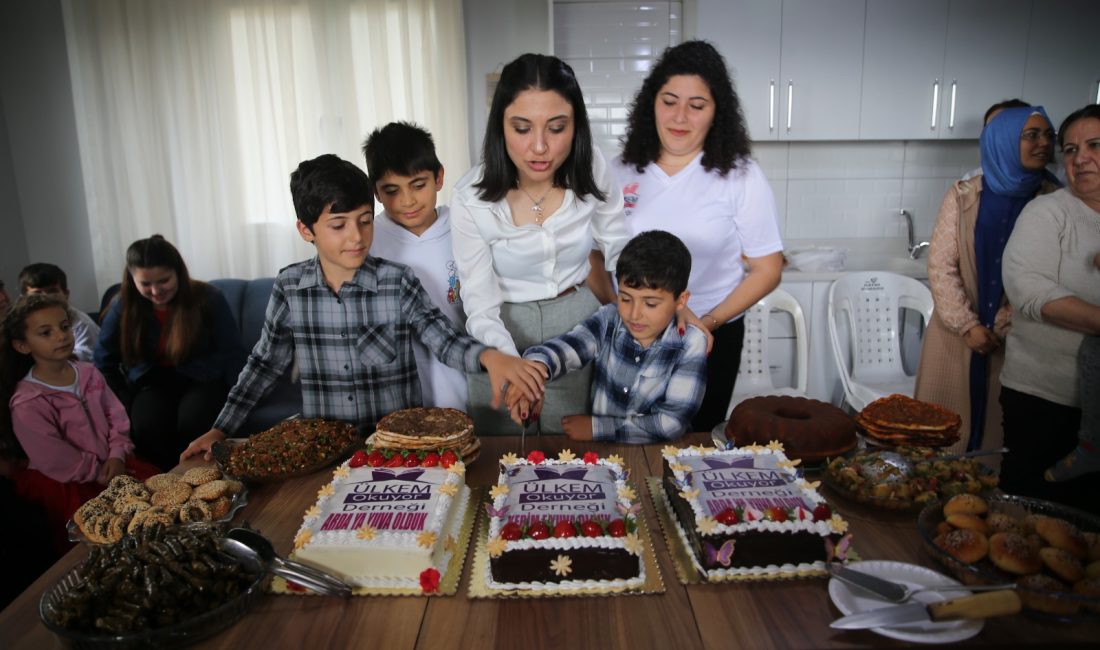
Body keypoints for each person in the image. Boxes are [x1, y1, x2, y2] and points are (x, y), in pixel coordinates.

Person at [182, 154, 545, 461]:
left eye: (365, 221)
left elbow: (444, 340)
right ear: (306, 231)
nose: (356, 237)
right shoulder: (291, 288)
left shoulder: (397, 280)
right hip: (324, 455)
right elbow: (265, 364)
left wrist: (491, 358)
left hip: (398, 449)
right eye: (338, 225)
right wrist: (222, 428)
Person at [451, 53, 630, 435]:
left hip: (578, 327)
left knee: (573, 458)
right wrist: (513, 368)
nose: (539, 147)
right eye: (521, 128)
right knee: (500, 461)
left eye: (556, 127)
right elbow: (480, 304)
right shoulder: (470, 198)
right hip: (501, 331)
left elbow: (618, 245)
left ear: (576, 126)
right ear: (500, 126)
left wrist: (658, 298)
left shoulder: (593, 167)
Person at [609, 40, 783, 432]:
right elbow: (593, 258)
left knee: (695, 445)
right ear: (651, 102)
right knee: (625, 438)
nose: (680, 117)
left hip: (709, 339)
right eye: (669, 101)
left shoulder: (740, 175)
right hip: (632, 332)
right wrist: (619, 312)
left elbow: (767, 268)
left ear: (716, 112)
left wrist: (708, 321)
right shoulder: (620, 172)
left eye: (697, 105)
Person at [915, 106, 1060, 458]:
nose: (1043, 144)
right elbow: (941, 264)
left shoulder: (1055, 200)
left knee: (1002, 439)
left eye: (1048, 135)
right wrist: (968, 325)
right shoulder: (965, 194)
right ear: (1004, 141)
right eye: (1032, 135)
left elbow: (1050, 272)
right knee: (941, 436)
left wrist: (1004, 322)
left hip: (1016, 338)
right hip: (955, 334)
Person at [506, 230, 707, 443]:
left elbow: (672, 423)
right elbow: (569, 348)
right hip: (604, 455)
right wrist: (536, 369)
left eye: (650, 304)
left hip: (658, 455)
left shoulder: (691, 342)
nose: (634, 313)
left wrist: (597, 429)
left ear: (681, 300)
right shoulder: (610, 318)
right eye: (626, 298)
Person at [1000, 104, 1100, 514]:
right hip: (1044, 397)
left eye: (1095, 145)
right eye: (1071, 149)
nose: (1080, 158)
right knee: (1033, 512)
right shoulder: (1048, 212)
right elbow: (1028, 288)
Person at [1, 294, 158, 553]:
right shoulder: (27, 401)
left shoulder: (88, 372)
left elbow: (116, 416)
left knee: (150, 511)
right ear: (22, 346)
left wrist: (117, 454)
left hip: (113, 462)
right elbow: (53, 456)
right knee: (99, 539)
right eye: (45, 332)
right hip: (69, 480)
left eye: (64, 327)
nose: (61, 336)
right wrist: (97, 473)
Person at [94, 235, 246, 469]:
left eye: (163, 280)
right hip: (151, 382)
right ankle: (166, 483)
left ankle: (206, 477)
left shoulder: (208, 298)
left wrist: (241, 400)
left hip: (202, 378)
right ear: (132, 279)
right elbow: (104, 360)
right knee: (146, 425)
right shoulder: (123, 306)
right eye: (145, 284)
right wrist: (123, 400)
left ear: (178, 272)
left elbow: (233, 353)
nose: (155, 290)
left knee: (193, 420)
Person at [363, 122, 467, 410]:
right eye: (392, 190)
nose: (407, 201)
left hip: (463, 382)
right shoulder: (367, 239)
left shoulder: (465, 226)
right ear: (375, 192)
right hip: (396, 390)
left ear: (439, 177)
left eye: (418, 185)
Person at [19, 263, 100, 362]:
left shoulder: (82, 323)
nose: (45, 298)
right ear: (24, 299)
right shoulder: (20, 322)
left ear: (66, 294)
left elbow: (88, 355)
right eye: (37, 294)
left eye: (52, 291)